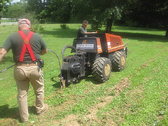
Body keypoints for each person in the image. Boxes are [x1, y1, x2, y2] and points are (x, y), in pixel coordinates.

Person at [0, 19, 48, 123]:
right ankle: (40, 109)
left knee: (22, 94)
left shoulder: (12, 36)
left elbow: (2, 52)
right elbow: (45, 51)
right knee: (39, 89)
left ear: (19, 27)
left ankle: (24, 118)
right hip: (35, 68)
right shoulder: (37, 36)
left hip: (20, 69)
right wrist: (39, 53)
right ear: (29, 27)